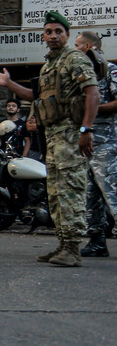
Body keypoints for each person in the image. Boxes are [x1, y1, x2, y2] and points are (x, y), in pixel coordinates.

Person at [0, 11, 99, 266]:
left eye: (58, 32)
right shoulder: (49, 65)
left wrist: (86, 130)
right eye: (49, 32)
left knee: (70, 191)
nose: (53, 36)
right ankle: (63, 244)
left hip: (71, 134)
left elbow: (92, 94)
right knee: (57, 193)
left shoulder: (75, 59)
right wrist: (8, 83)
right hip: (53, 138)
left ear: (67, 35)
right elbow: (34, 96)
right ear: (43, 35)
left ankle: (72, 249)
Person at [74, 31, 117, 257]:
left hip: (107, 144)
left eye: (78, 45)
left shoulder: (111, 70)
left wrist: (92, 110)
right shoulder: (82, 74)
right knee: (90, 196)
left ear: (89, 46)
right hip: (85, 145)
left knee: (113, 193)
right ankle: (97, 241)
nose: (75, 48)